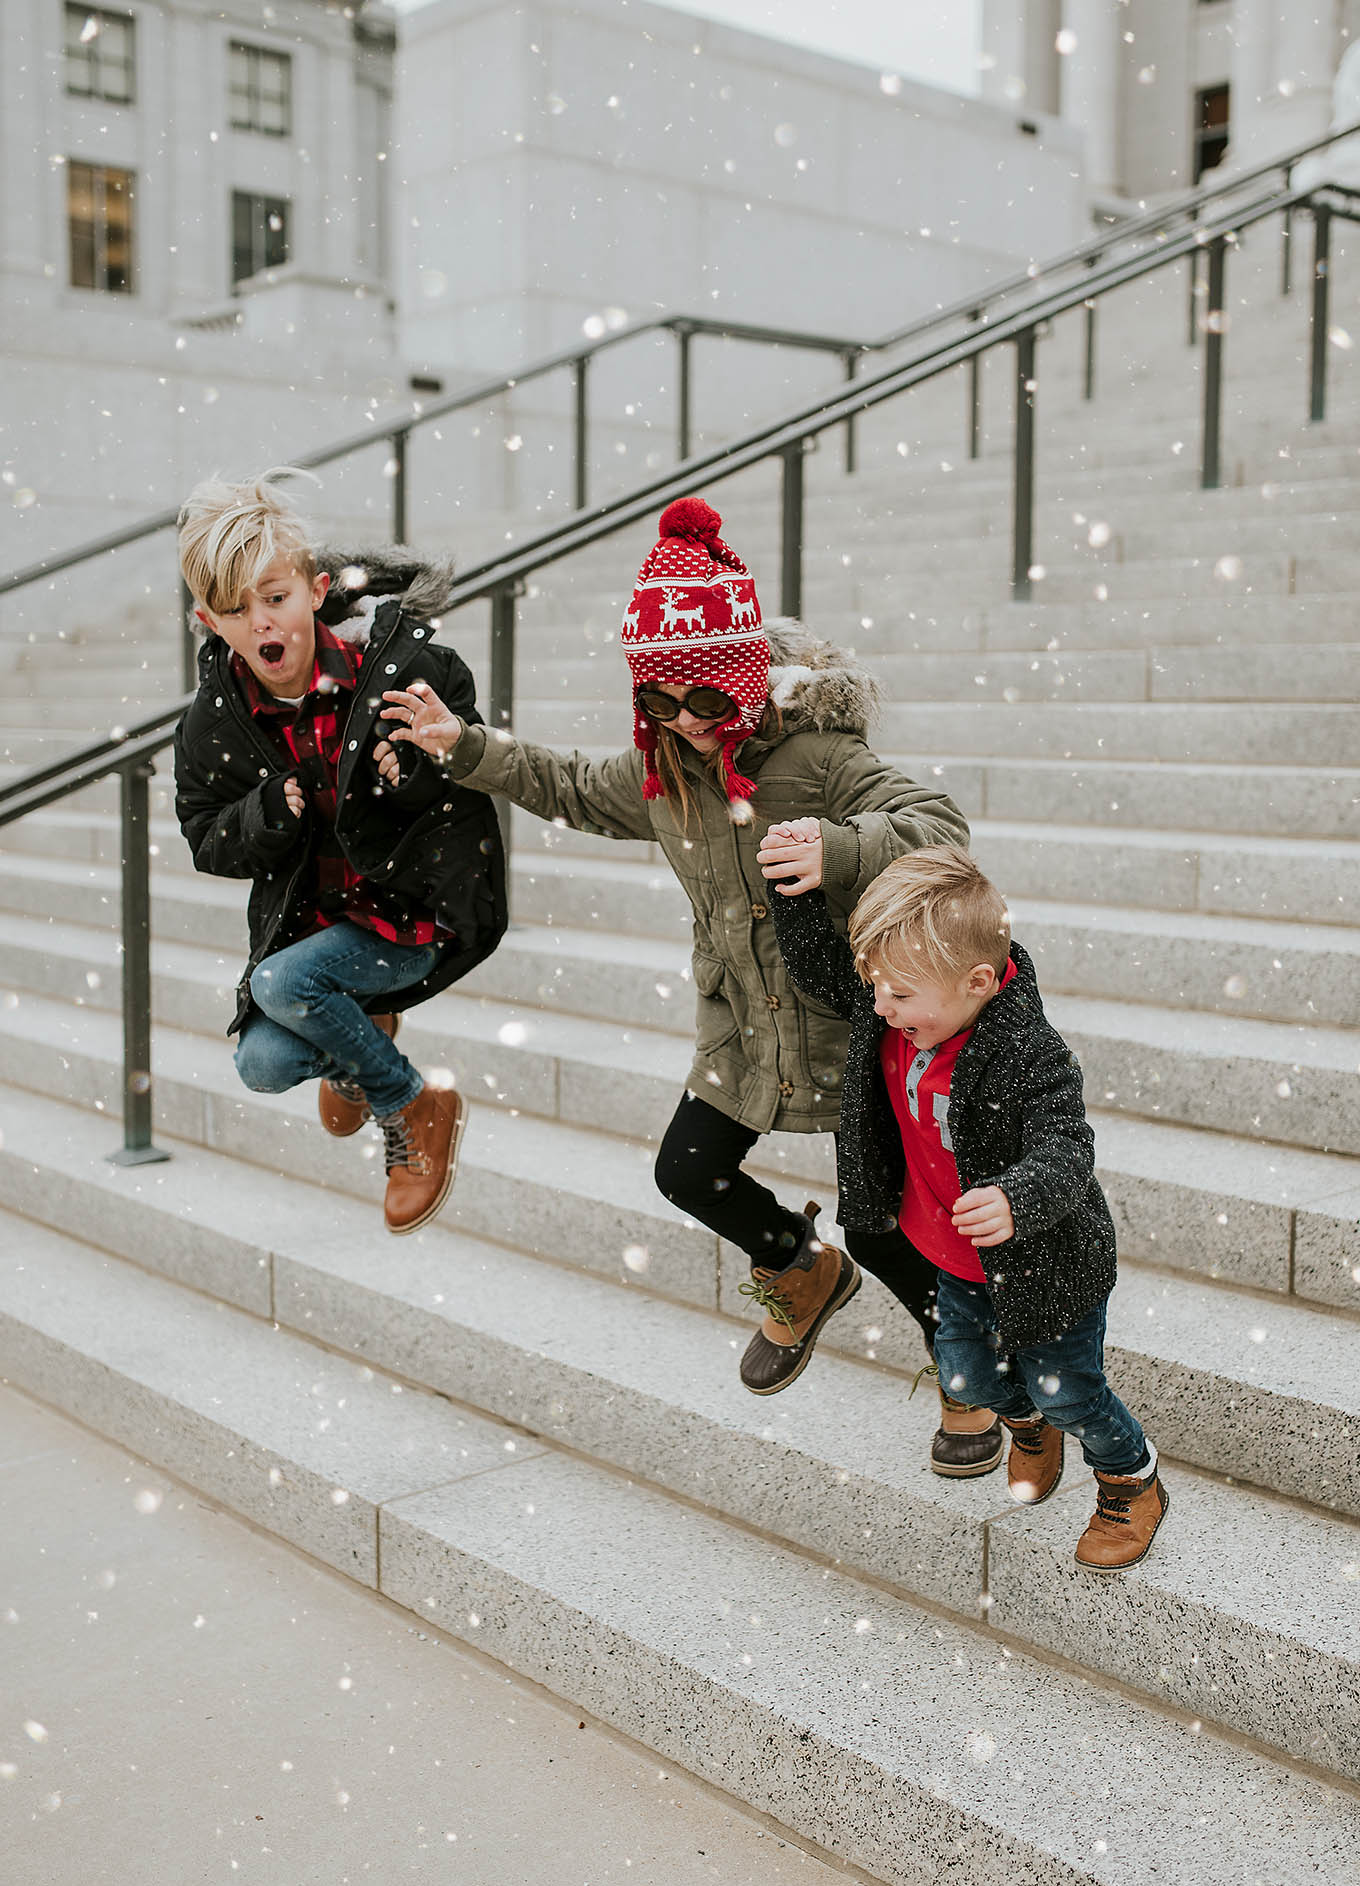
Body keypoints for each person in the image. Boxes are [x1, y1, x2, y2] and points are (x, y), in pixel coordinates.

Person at [379, 494, 971, 1399]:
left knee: (881, 1221)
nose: (688, 718)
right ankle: (801, 1268)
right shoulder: (662, 775)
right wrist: (463, 746)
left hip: (846, 1023)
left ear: (741, 675)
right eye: (661, 696)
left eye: (704, 695)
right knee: (687, 1170)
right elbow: (566, 783)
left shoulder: (813, 756)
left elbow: (939, 826)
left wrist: (838, 846)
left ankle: (967, 1358)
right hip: (741, 1025)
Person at [763, 835, 1170, 1570]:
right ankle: (1027, 1427)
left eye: (898, 995)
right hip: (955, 1259)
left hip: (1047, 1264)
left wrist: (1017, 1196)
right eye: (875, 986)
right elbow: (823, 971)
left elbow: (1069, 1147)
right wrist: (794, 890)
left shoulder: (1029, 1052)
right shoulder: (908, 999)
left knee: (1072, 1394)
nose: (880, 1008)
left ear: (979, 980)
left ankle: (1129, 1482)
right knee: (964, 1378)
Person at [173, 471, 507, 1234]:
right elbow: (203, 834)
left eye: (276, 597)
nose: (262, 622)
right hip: (318, 927)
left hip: (413, 914)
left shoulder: (394, 669)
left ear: (315, 588)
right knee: (261, 1065)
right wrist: (262, 814)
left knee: (282, 981)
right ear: (209, 621)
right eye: (235, 609)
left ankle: (411, 1105)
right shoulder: (214, 723)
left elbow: (471, 753)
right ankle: (367, 1033)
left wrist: (419, 770)